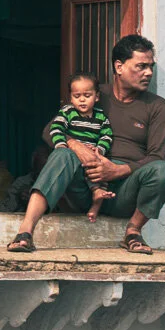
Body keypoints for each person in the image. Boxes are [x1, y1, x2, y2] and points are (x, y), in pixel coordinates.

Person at [8, 34, 165, 255]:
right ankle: (25, 233)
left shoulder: (157, 106)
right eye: (141, 66)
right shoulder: (93, 94)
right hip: (84, 185)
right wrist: (76, 146)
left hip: (125, 190)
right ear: (119, 66)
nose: (148, 73)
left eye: (150, 67)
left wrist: (117, 170)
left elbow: (156, 156)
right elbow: (49, 130)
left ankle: (133, 232)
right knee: (61, 154)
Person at [46, 72, 117, 222]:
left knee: (100, 172)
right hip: (74, 156)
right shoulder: (68, 112)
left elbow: (107, 135)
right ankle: (94, 193)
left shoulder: (101, 117)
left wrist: (99, 150)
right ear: (71, 97)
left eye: (87, 95)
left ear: (96, 97)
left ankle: (96, 202)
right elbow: (56, 129)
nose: (82, 100)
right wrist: (61, 146)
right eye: (77, 96)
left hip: (92, 156)